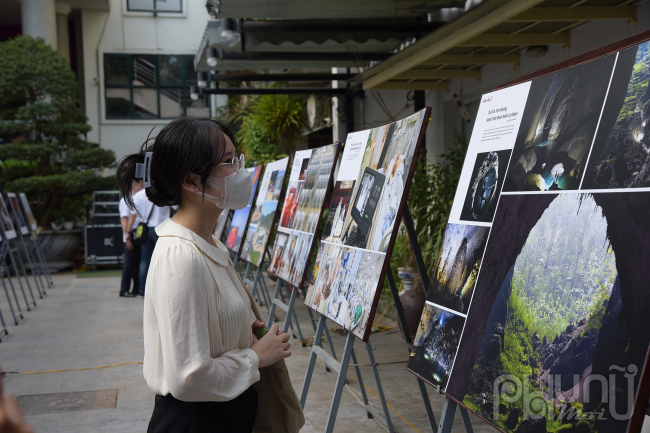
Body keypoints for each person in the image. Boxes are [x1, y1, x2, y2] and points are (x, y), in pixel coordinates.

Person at [115, 118, 302, 433]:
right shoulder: (181, 257)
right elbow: (189, 378)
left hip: (225, 413)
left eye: (237, 159)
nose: (240, 171)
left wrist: (241, 332)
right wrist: (256, 356)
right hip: (199, 421)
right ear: (192, 181)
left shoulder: (208, 243)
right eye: (229, 162)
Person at [126, 182, 170, 298]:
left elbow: (133, 215)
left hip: (145, 230)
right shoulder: (164, 192)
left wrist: (128, 232)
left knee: (144, 261)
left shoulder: (139, 195)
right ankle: (162, 291)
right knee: (163, 260)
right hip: (162, 229)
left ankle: (142, 291)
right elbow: (176, 206)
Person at [119, 179, 142, 297]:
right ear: (134, 186)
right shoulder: (126, 200)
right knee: (129, 263)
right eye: (140, 185)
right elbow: (124, 219)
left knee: (136, 263)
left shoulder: (137, 198)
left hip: (136, 232)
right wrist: (126, 235)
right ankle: (124, 289)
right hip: (130, 233)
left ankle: (136, 288)